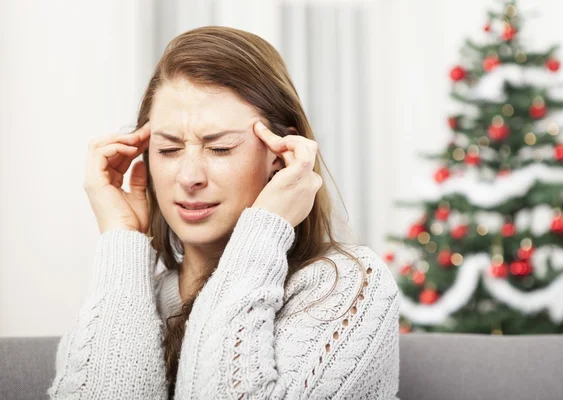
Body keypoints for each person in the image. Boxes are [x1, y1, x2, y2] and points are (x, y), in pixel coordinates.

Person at [47, 26, 400, 399]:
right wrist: (122, 239)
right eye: (168, 150)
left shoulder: (346, 286)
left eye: (220, 149)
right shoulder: (136, 296)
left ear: (281, 158)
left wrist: (264, 232)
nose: (189, 177)